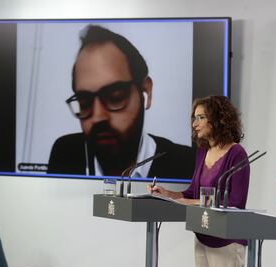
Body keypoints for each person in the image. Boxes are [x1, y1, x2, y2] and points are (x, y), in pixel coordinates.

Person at [47, 25, 195, 179]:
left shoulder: (186, 163)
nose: (98, 117)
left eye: (115, 97)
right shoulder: (65, 154)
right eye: (85, 103)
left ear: (146, 91)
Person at [148, 95, 250, 267]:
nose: (195, 124)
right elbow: (191, 194)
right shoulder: (202, 152)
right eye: (194, 118)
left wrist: (193, 203)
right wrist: (167, 194)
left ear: (219, 119)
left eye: (201, 117)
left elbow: (236, 202)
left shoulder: (237, 153)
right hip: (203, 235)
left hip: (226, 241)